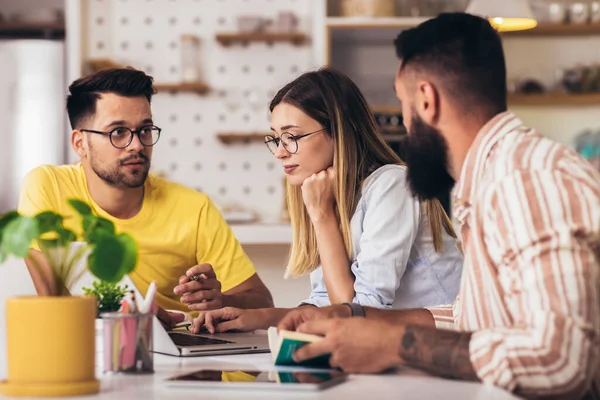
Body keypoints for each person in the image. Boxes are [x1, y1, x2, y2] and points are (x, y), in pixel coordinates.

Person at [273, 13, 600, 400]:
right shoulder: (490, 182)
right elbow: (472, 319)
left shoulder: (526, 180)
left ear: (426, 99)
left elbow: (560, 361)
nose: (405, 124)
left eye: (403, 103)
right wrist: (357, 319)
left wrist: (396, 346)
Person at [191, 68, 463, 334]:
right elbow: (324, 302)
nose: (280, 153)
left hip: (446, 348)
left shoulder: (392, 185)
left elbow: (357, 312)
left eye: (292, 137)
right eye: (276, 139)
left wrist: (322, 216)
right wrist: (256, 318)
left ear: (338, 132)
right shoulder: (330, 193)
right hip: (394, 347)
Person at [18, 68, 274, 326]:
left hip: (187, 350)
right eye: (118, 132)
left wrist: (220, 299)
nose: (137, 145)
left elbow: (262, 302)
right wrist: (133, 319)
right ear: (80, 144)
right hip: (89, 346)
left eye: (145, 130)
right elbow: (50, 299)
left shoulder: (193, 207)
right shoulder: (47, 185)